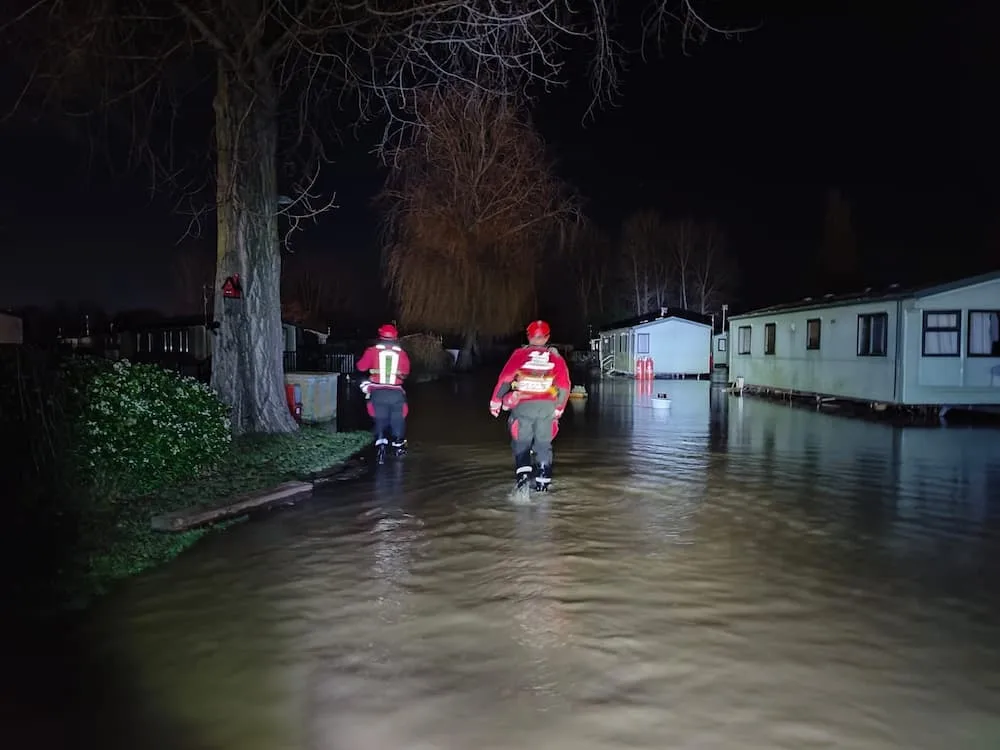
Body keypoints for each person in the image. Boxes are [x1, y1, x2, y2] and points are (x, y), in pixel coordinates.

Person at [489, 320, 571, 492]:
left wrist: (496, 401)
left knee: (522, 442)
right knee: (543, 445)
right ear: (547, 337)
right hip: (547, 407)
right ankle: (543, 485)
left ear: (528, 336)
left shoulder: (519, 354)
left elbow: (505, 379)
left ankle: (522, 483)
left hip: (523, 406)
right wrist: (559, 408)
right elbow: (564, 385)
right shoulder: (556, 358)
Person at [357, 323, 411, 462]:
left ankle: (381, 442)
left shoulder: (372, 351)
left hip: (377, 392)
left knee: (380, 418)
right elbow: (406, 372)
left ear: (379, 336)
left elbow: (361, 366)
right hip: (396, 394)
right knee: (397, 419)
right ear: (395, 337)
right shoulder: (402, 354)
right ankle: (398, 446)